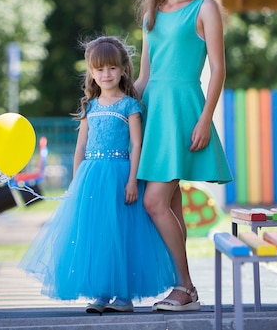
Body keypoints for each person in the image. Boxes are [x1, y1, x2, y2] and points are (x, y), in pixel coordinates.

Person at [19, 35, 177, 314]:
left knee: (121, 233)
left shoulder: (130, 105)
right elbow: (81, 146)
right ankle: (102, 293)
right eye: (100, 69)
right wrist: (77, 179)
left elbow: (137, 144)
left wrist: (132, 180)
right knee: (99, 234)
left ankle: (124, 297)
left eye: (112, 68)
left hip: (119, 175)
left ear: (123, 70)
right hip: (92, 175)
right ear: (91, 72)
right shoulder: (89, 106)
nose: (107, 74)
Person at [133, 0, 233, 312]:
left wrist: (206, 118)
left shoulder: (204, 8)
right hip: (154, 114)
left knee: (154, 202)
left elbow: (219, 70)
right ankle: (183, 287)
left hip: (184, 111)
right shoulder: (151, 15)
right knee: (170, 205)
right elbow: (144, 76)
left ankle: (185, 286)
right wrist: (114, 107)